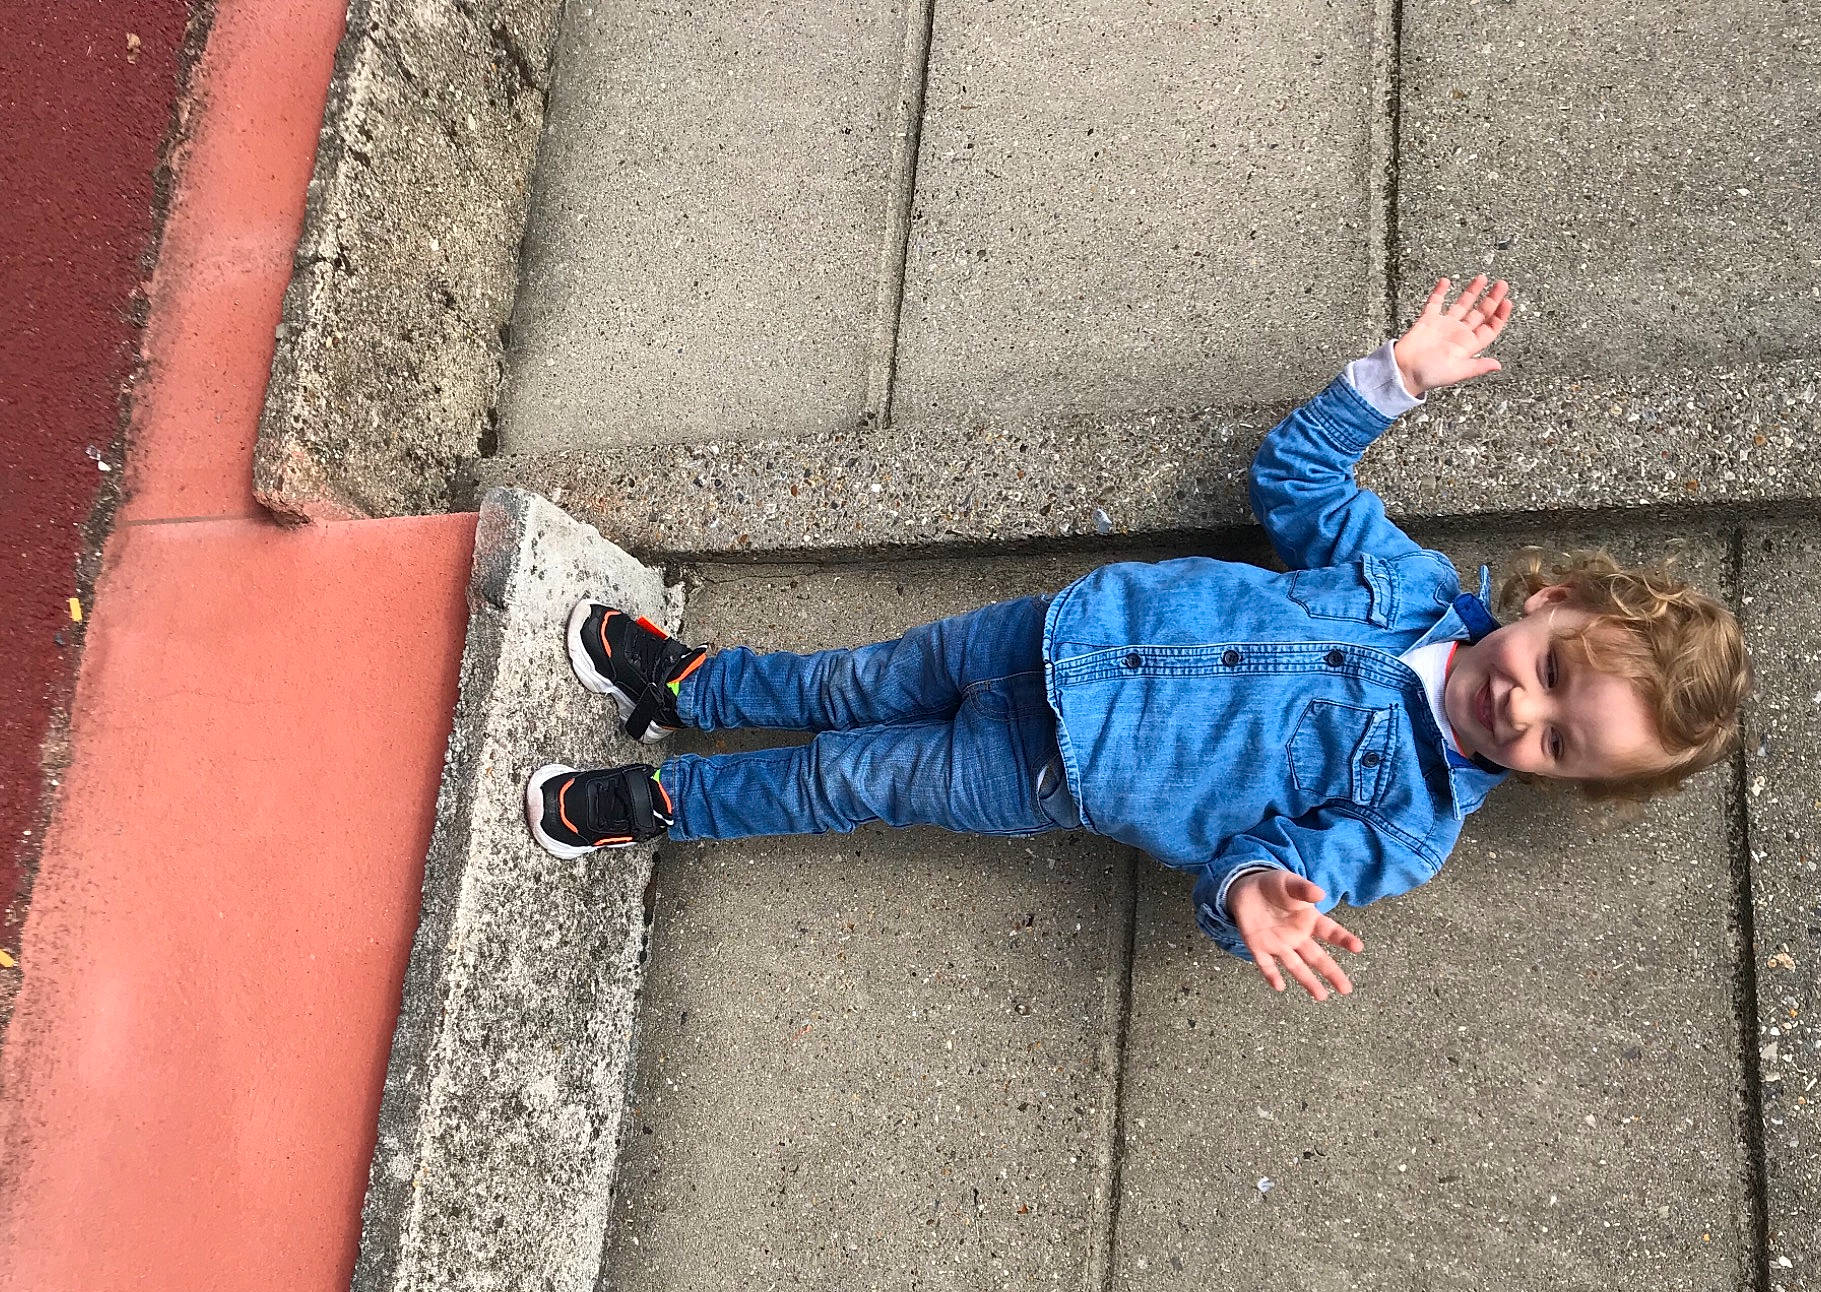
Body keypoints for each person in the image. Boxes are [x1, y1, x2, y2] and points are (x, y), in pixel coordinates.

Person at [524, 276, 1751, 998]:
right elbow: (1298, 479)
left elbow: (1256, 865)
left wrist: (1262, 898)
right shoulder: (1405, 583)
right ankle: (696, 683)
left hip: (1058, 771)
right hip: (1051, 635)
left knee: (846, 776)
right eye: (1549, 678)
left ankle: (662, 805)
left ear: (1568, 784)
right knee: (850, 679)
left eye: (1559, 748)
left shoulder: (1408, 827)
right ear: (1546, 606)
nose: (1520, 716)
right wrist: (1394, 380)